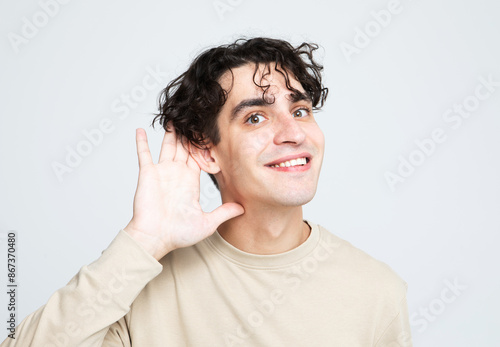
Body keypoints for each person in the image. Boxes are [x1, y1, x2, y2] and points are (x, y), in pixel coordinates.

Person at [1, 37, 412, 346]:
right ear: (206, 150)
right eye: (255, 117)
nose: (292, 134)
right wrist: (143, 240)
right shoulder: (143, 286)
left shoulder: (377, 291)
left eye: (300, 110)